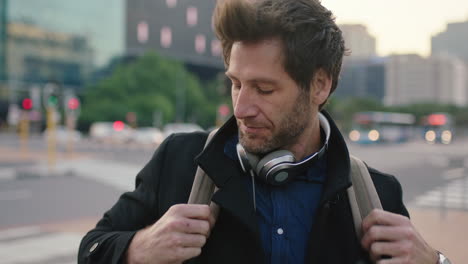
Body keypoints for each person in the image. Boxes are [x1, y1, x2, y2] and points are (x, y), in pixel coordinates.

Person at [78, 0, 449, 263]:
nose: (240, 108)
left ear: (319, 85)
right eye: (236, 83)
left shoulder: (377, 195)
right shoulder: (179, 161)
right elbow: (92, 249)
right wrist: (137, 250)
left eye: (264, 89)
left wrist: (435, 262)